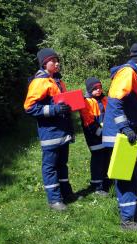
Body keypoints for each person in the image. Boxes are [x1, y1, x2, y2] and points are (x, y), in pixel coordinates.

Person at [102, 43, 137, 231]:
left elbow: (132, 106)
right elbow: (115, 103)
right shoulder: (128, 73)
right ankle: (128, 221)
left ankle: (131, 213)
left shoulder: (134, 74)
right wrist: (125, 127)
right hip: (119, 135)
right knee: (126, 177)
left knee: (129, 175)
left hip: (122, 133)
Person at [24, 48, 77, 211]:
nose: (56, 63)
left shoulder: (57, 81)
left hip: (62, 131)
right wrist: (54, 110)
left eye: (57, 60)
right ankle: (54, 200)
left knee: (62, 164)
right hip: (50, 132)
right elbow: (30, 107)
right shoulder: (40, 81)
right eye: (53, 60)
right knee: (50, 166)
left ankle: (66, 193)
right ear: (44, 63)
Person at [79, 77, 111, 197]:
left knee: (106, 157)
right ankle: (97, 186)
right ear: (89, 89)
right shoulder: (86, 102)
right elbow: (88, 121)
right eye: (95, 88)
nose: (98, 90)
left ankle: (106, 181)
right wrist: (100, 132)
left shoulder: (105, 99)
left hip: (106, 134)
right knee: (98, 158)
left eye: (99, 87)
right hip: (94, 136)